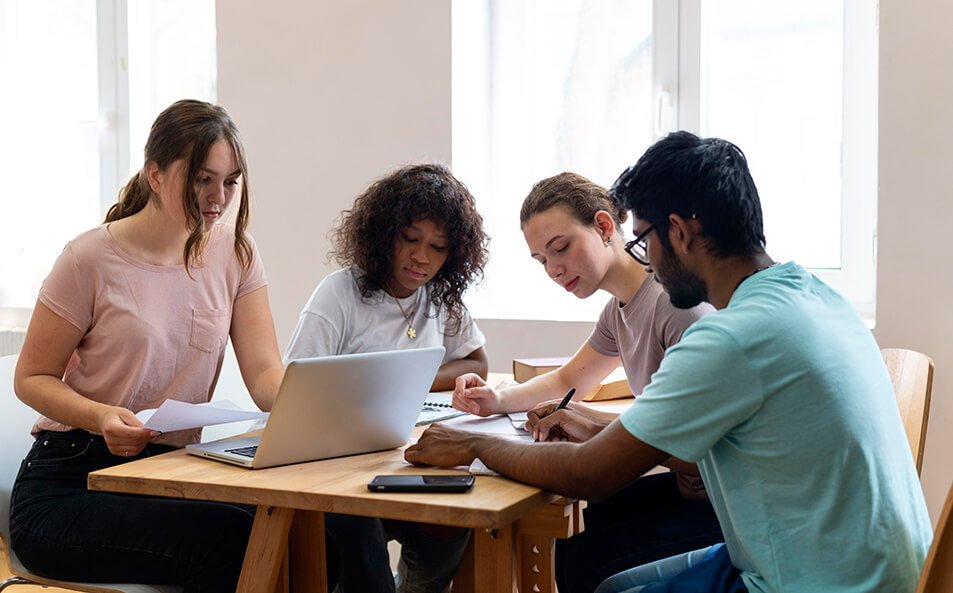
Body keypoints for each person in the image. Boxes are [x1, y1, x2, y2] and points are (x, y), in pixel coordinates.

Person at [406, 132, 932, 593]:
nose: (647, 257)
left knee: (596, 568)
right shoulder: (816, 297)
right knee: (594, 548)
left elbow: (590, 475)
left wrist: (475, 443)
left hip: (817, 580)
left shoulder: (731, 338)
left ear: (678, 233)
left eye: (645, 238)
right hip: (882, 566)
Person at [9, 99, 285, 593]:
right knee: (234, 539)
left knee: (322, 524)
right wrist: (101, 416)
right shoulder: (88, 258)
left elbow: (265, 377)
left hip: (171, 473)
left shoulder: (235, 252)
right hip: (70, 482)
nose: (218, 198)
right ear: (155, 174)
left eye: (230, 181)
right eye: (202, 179)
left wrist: (325, 409)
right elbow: (31, 378)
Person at [451, 171, 722, 592]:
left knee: (590, 560)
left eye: (560, 248)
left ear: (604, 226)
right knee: (590, 524)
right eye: (542, 261)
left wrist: (597, 427)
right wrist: (495, 401)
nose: (554, 270)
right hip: (698, 488)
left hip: (728, 501)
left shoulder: (675, 305)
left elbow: (710, 449)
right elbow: (571, 379)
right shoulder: (620, 309)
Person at [284, 163, 490, 593]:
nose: (421, 257)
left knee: (455, 515)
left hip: (404, 456)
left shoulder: (440, 297)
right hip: (340, 466)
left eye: (437, 247)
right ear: (384, 234)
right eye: (410, 239)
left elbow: (477, 363)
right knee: (354, 520)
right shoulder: (340, 292)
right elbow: (296, 386)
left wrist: (408, 379)